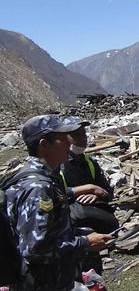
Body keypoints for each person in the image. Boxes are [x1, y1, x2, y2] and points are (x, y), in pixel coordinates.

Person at [4, 115, 112, 290]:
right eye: (62, 139)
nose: (69, 142)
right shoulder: (37, 188)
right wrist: (85, 242)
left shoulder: (46, 178)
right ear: (44, 145)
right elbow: (35, 248)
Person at [59, 117, 119, 273]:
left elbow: (107, 191)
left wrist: (97, 195)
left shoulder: (89, 162)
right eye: (76, 135)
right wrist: (88, 189)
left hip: (93, 229)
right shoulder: (58, 165)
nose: (82, 139)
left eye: (83, 134)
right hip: (69, 232)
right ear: (64, 139)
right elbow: (51, 195)